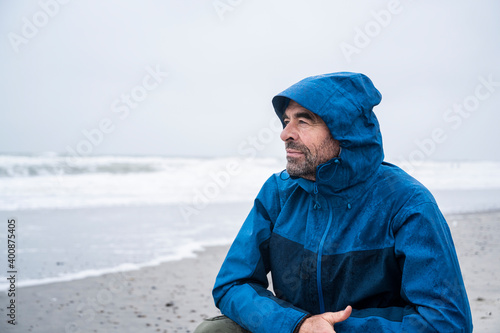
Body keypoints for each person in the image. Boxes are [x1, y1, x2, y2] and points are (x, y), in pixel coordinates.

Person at [194, 72, 473, 332]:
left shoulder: (407, 202)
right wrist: (298, 324)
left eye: (303, 121)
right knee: (215, 331)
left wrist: (334, 328)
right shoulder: (278, 192)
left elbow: (446, 320)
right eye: (286, 121)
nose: (285, 133)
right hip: (294, 329)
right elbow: (233, 283)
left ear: (345, 130)